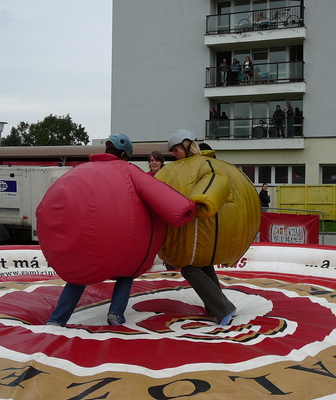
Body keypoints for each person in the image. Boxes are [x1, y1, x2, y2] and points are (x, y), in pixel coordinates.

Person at [37, 134, 195, 327]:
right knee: (126, 273)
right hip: (120, 243)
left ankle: (57, 319)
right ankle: (115, 314)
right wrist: (185, 210)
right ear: (123, 154)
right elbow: (158, 193)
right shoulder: (129, 171)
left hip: (83, 243)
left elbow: (49, 202)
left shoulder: (78, 171)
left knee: (78, 276)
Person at [155, 129, 261, 326]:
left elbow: (216, 181)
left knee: (189, 268)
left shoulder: (205, 165)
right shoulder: (180, 168)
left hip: (200, 228)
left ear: (187, 145)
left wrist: (197, 204)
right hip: (199, 230)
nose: (174, 154)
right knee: (204, 266)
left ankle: (225, 308)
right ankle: (215, 307)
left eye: (176, 150)